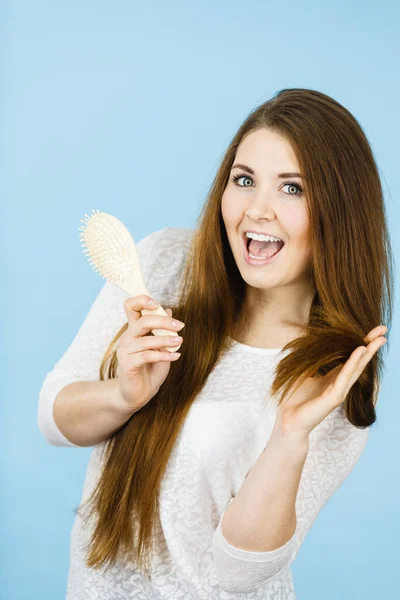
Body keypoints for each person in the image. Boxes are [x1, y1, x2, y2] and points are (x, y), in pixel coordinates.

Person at [38, 88, 393, 599]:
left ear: (339, 211)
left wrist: (289, 436)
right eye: (244, 180)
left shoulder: (338, 373)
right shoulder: (163, 264)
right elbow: (55, 416)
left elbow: (239, 572)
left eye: (292, 189)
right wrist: (124, 395)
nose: (257, 209)